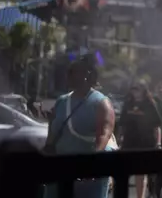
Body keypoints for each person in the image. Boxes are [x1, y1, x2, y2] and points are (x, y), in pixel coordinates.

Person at [44, 54, 116, 198]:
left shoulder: (101, 103)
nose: (68, 75)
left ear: (86, 75)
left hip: (87, 175)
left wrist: (91, 163)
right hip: (59, 170)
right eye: (69, 72)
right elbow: (52, 131)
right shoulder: (62, 101)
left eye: (73, 72)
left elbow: (104, 134)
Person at [119, 81, 162, 198]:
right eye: (132, 89)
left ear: (143, 90)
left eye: (137, 89)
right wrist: (119, 140)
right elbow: (122, 124)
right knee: (122, 172)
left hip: (145, 143)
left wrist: (158, 143)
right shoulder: (128, 103)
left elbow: (157, 126)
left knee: (140, 174)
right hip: (129, 142)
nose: (134, 91)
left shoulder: (150, 104)